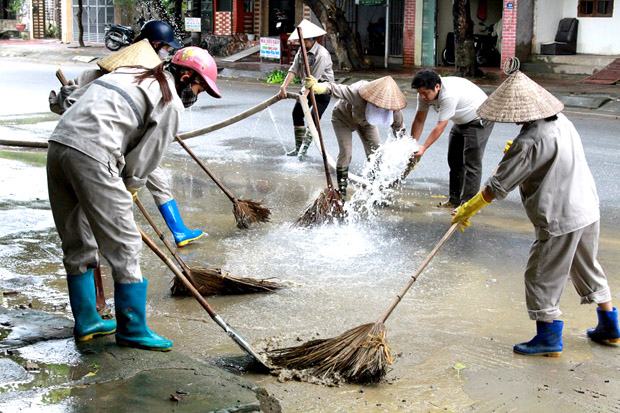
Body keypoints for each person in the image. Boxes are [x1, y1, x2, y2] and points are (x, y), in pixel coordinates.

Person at [46, 47, 221, 351]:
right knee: (126, 242)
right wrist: (128, 189)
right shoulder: (170, 103)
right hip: (94, 154)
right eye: (199, 87)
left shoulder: (127, 71)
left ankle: (88, 321)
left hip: (59, 146)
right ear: (185, 75)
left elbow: (71, 98)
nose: (198, 94)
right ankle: (132, 329)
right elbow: (143, 161)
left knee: (78, 240)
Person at [451, 65, 619, 356]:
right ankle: (611, 326)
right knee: (587, 266)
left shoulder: (529, 141)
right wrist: (516, 154)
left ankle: (549, 338)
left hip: (560, 216)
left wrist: (469, 208)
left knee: (540, 275)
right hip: (587, 209)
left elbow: (498, 186)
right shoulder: (561, 122)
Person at [50, 20, 203, 248]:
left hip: (120, 140)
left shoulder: (149, 70)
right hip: (105, 144)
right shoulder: (116, 67)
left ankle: (178, 229)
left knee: (150, 173)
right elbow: (66, 101)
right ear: (155, 44)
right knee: (141, 179)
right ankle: (174, 230)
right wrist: (67, 94)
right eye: (166, 48)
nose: (167, 53)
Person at [305, 75, 407, 196]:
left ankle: (374, 191)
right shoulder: (358, 92)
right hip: (342, 118)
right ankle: (341, 192)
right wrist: (319, 87)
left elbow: (401, 132)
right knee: (346, 154)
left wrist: (410, 152)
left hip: (367, 123)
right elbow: (334, 88)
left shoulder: (394, 110)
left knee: (377, 153)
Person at [410, 69, 494, 208]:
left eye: (425, 93)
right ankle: (454, 200)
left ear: (437, 87)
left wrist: (423, 148)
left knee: (471, 163)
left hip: (480, 118)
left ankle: (467, 206)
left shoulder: (448, 95)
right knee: (454, 160)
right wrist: (412, 144)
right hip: (461, 119)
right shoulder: (424, 93)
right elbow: (419, 120)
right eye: (420, 93)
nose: (423, 97)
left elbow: (440, 126)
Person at [278, 19, 334, 160]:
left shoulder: (322, 54)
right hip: (307, 88)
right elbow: (293, 70)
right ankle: (298, 148)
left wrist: (304, 94)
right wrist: (283, 87)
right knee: (297, 113)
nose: (299, 44)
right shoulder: (301, 51)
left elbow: (313, 79)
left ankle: (303, 150)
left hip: (322, 89)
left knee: (313, 119)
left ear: (310, 40)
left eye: (302, 41)